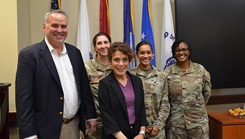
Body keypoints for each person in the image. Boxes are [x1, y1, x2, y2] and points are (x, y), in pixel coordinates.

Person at [15, 10, 97, 139]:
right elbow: (24, 100)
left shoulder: (75, 52)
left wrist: (91, 115)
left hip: (73, 126)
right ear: (44, 27)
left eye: (63, 26)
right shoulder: (30, 55)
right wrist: (29, 134)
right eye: (54, 25)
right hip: (44, 129)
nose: (60, 30)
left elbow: (84, 87)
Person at [98, 42, 148, 139]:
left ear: (129, 61)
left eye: (125, 60)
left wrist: (142, 133)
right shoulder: (105, 84)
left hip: (136, 134)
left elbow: (141, 109)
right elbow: (106, 115)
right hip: (115, 136)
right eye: (116, 60)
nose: (121, 64)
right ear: (110, 61)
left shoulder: (137, 81)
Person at [164, 40, 212, 139]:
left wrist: (195, 106)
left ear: (189, 52)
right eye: (177, 50)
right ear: (174, 53)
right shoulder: (167, 72)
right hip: (176, 125)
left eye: (184, 50)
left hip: (198, 122)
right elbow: (165, 97)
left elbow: (207, 92)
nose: (181, 53)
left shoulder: (200, 70)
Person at [129, 41, 170, 139]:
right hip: (136, 129)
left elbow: (165, 103)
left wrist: (158, 125)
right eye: (142, 53)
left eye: (148, 52)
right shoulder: (129, 75)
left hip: (156, 130)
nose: (146, 56)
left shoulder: (162, 75)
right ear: (137, 55)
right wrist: (141, 126)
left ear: (152, 54)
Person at [85, 32, 112, 138]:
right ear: (95, 48)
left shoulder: (118, 65)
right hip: (95, 120)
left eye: (106, 42)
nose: (103, 46)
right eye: (99, 43)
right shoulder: (87, 67)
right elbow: (84, 94)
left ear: (110, 44)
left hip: (115, 119)